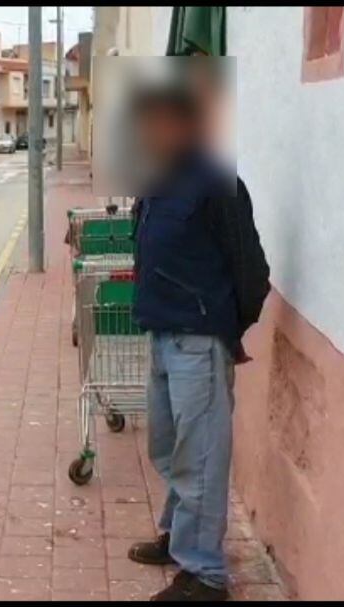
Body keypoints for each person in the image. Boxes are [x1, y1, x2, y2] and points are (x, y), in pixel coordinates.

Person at [125, 81, 270, 601]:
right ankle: (178, 536)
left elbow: (252, 269)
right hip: (162, 332)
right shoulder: (156, 180)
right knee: (167, 447)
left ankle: (205, 573)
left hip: (199, 338)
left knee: (202, 455)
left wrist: (230, 331)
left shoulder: (216, 182)